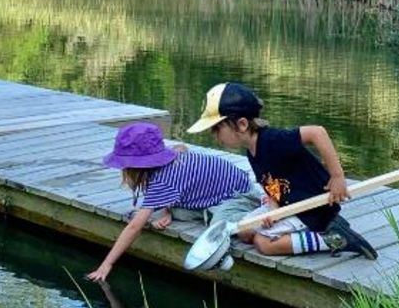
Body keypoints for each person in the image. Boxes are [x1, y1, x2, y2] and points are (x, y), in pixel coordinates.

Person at [186, 82, 378, 260]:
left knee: (264, 244)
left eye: (217, 128)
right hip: (288, 206)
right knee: (244, 231)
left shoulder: (273, 140)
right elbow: (273, 187)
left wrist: (337, 176)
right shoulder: (252, 152)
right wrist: (273, 210)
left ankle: (334, 238)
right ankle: (321, 228)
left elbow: (317, 132)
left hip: (310, 207)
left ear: (242, 124)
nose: (214, 136)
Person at [86, 121, 257, 281]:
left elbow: (134, 227)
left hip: (239, 195)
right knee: (172, 213)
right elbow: (181, 147)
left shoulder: (163, 180)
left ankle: (257, 220)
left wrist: (106, 264)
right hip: (209, 199)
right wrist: (168, 209)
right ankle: (176, 210)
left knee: (217, 228)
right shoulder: (169, 159)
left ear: (134, 168)